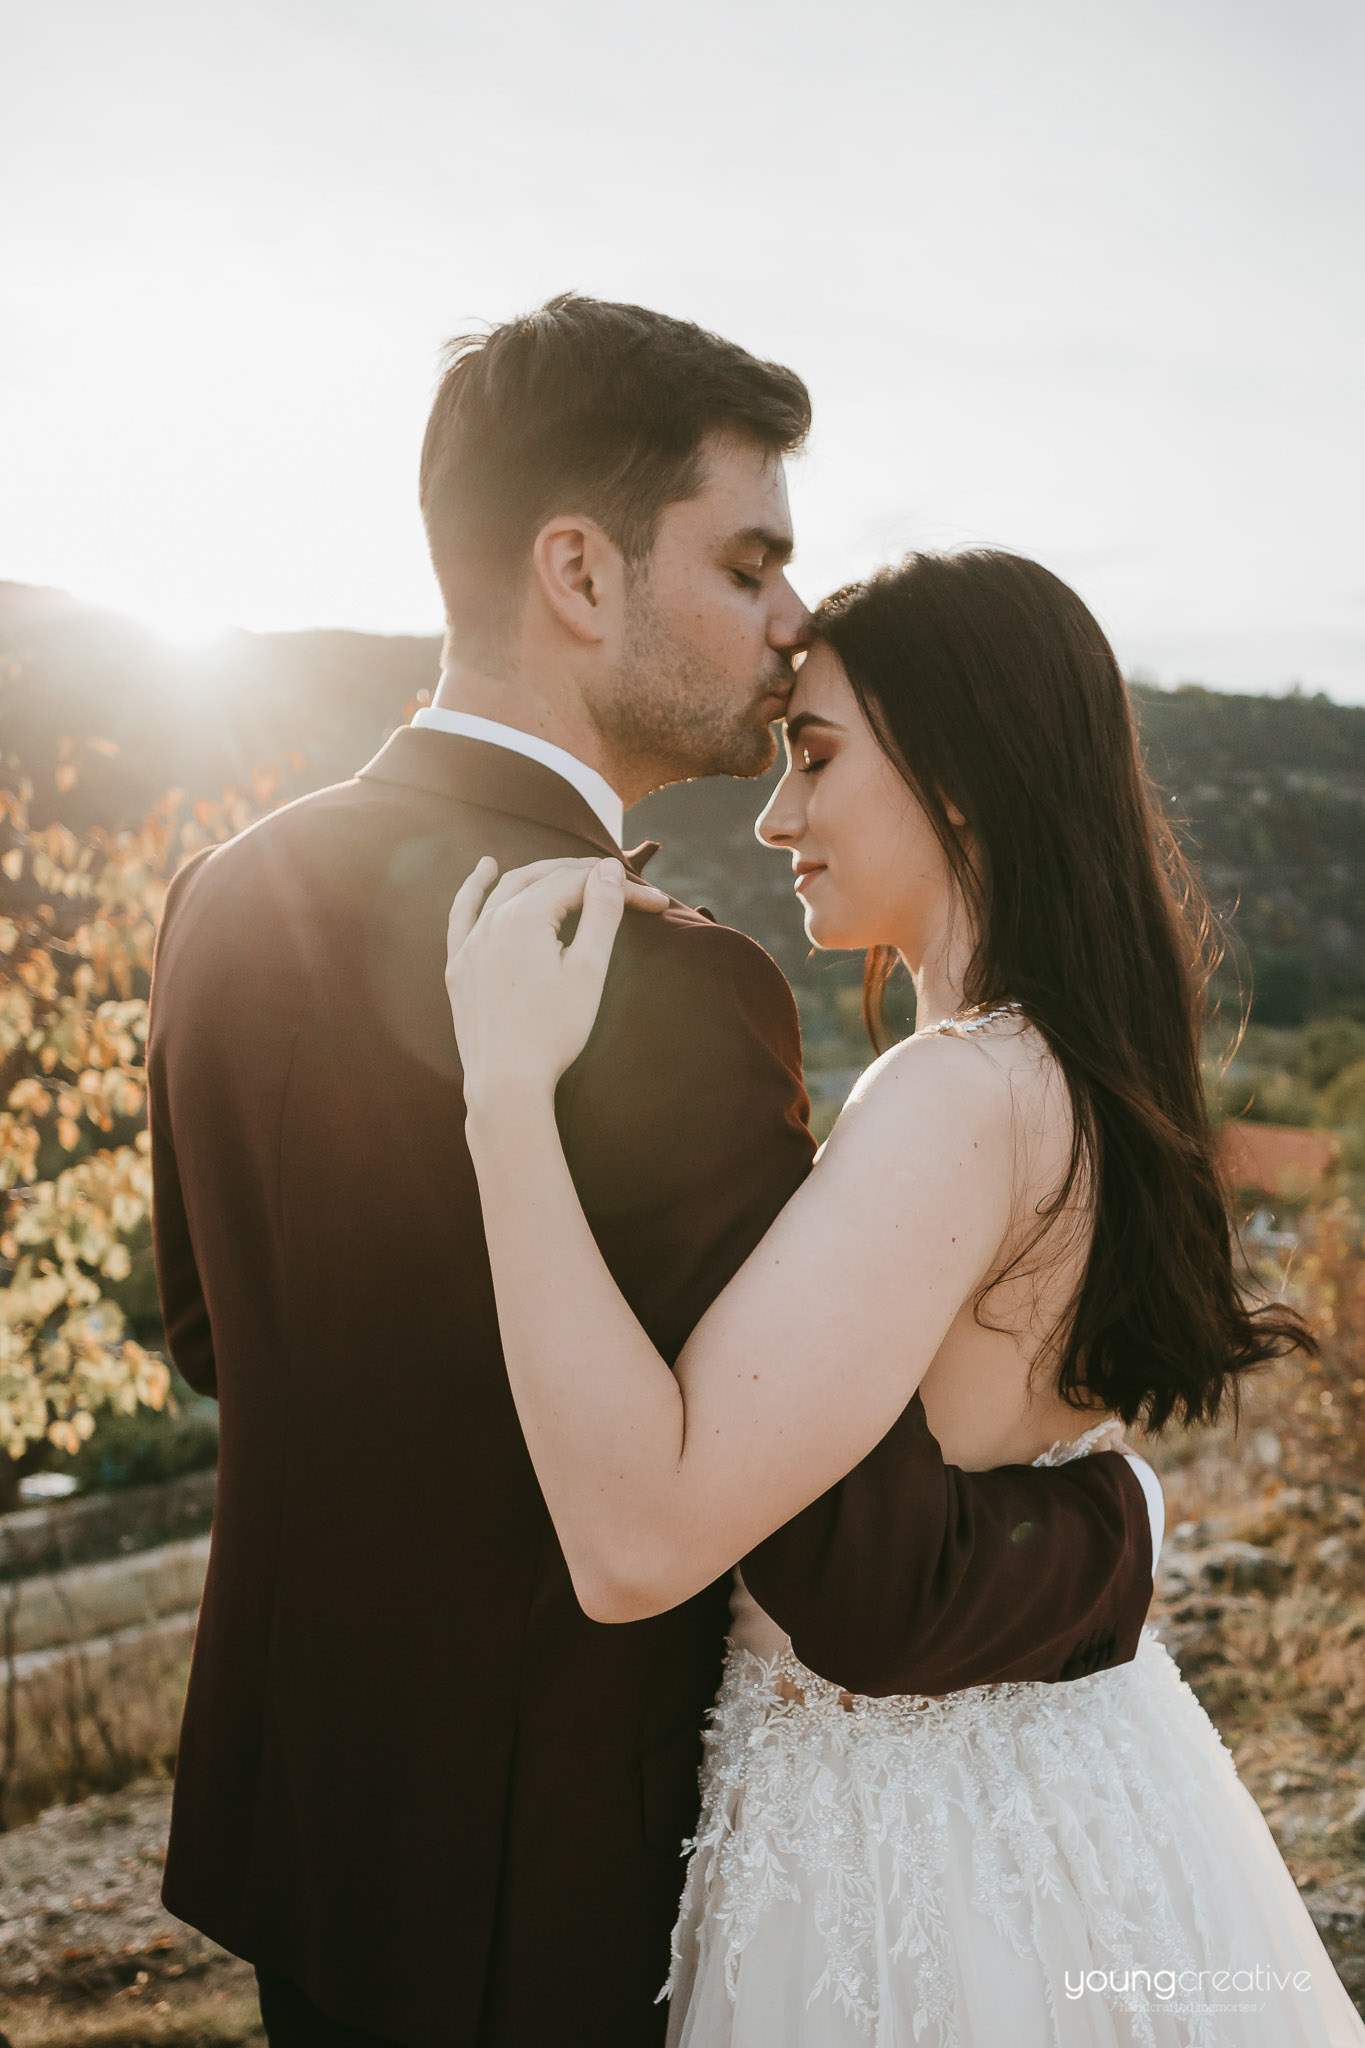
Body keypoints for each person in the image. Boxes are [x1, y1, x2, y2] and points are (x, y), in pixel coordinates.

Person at [147, 299, 1157, 2048]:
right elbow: (855, 1561)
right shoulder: (672, 985)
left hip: (298, 1822)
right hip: (553, 1886)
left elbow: (214, 1337)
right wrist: (1117, 1530)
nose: (788, 629)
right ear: (578, 573)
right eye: (751, 561)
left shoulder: (230, 895)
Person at [444, 548, 1365, 2046]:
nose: (774, 816)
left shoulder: (951, 1095)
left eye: (813, 759)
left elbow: (633, 1541)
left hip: (901, 1847)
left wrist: (502, 1097)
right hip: (1080, 1782)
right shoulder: (1077, 1069)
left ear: (960, 778)